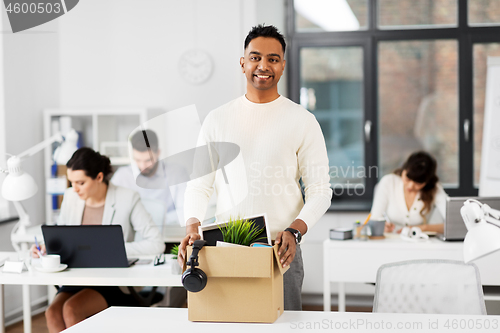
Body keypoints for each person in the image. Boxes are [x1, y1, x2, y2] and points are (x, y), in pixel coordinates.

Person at [178, 24, 332, 310]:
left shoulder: (302, 120)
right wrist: (192, 223)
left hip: (280, 248)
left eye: (273, 59)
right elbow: (200, 183)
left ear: (282, 65)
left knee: (285, 327)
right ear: (243, 63)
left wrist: (295, 231)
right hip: (227, 247)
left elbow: (321, 190)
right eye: (255, 57)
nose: (263, 65)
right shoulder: (218, 119)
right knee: (230, 325)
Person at [32, 147, 164, 333]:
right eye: (71, 182)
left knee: (71, 309)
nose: (74, 188)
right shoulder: (71, 197)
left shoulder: (127, 197)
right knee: (52, 313)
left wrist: (114, 249)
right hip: (78, 277)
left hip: (112, 281)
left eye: (80, 183)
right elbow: (62, 238)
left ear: (99, 177)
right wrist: (47, 248)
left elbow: (156, 244)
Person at [111, 129, 186, 226]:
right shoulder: (121, 176)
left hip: (169, 234)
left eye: (148, 160)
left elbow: (185, 211)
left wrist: (152, 222)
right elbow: (113, 211)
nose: (142, 166)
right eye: (137, 160)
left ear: (158, 153)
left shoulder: (177, 173)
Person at [370, 151, 448, 234]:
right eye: (407, 178)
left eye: (418, 183)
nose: (410, 186)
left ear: (427, 182)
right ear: (403, 170)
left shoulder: (434, 189)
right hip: (391, 240)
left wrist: (424, 228)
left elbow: (455, 224)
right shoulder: (389, 182)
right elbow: (374, 218)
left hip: (419, 241)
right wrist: (383, 226)